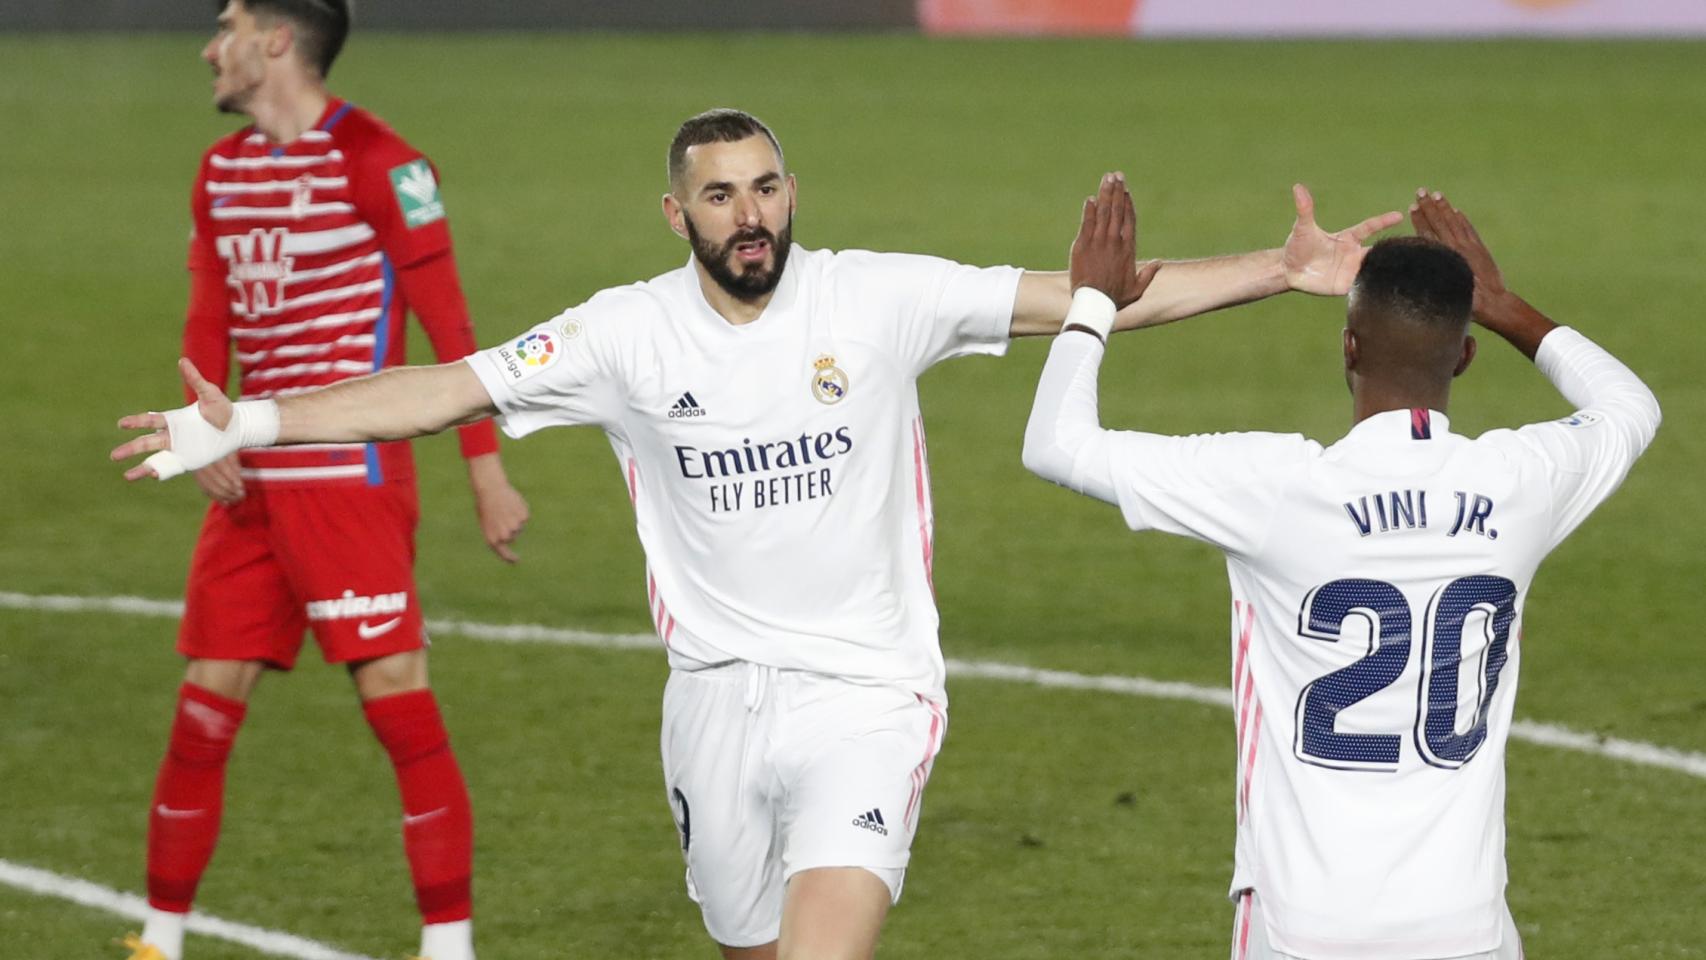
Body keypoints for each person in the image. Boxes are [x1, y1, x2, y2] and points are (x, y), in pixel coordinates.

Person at [113, 108, 1395, 960]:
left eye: (767, 187)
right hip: (712, 705)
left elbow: (1099, 297)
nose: (749, 215)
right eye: (720, 195)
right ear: (676, 216)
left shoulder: (876, 297)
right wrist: (258, 422)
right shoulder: (620, 335)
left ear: (793, 194)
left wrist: (1276, 272)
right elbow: (444, 389)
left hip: (867, 697)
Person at [1022, 182, 1659, 960]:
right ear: (1464, 354)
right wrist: (1504, 305)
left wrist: (1094, 301)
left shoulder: (1276, 487)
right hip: (1467, 927)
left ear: (1349, 348)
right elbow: (1630, 408)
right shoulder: (1522, 481)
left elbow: (1056, 443)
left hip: (1307, 925)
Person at [118, 3, 529, 960]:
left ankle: (448, 947)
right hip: (248, 488)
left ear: (275, 43)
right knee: (204, 707)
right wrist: (199, 423)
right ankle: (159, 939)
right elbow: (208, 311)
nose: (209, 47)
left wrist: (486, 472)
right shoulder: (220, 172)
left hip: (350, 480)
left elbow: (451, 324)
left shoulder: (387, 163)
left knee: (397, 701)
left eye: (227, 27)